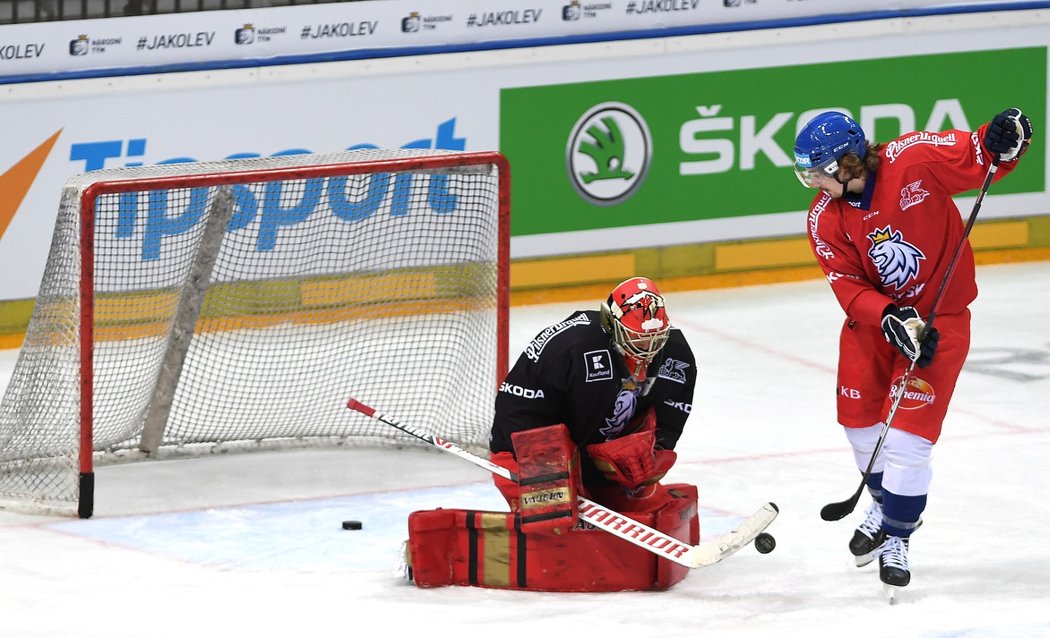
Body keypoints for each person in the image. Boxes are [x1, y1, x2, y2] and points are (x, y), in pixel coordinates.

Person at [792, 108, 1034, 594]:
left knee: (905, 440)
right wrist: (886, 315)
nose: (813, 181)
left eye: (818, 170)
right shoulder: (823, 218)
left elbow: (977, 154)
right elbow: (846, 283)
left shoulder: (913, 160)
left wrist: (1002, 137)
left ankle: (898, 533)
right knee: (859, 425)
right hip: (876, 324)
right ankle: (882, 502)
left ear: (846, 163)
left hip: (939, 320)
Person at [488, 276, 697, 532]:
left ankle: (598, 490)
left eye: (656, 337)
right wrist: (545, 474)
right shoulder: (569, 345)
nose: (648, 347)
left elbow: (672, 409)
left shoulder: (676, 353)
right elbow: (518, 406)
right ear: (611, 322)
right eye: (637, 337)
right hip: (531, 447)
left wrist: (655, 450)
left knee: (649, 516)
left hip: (599, 455)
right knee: (554, 523)